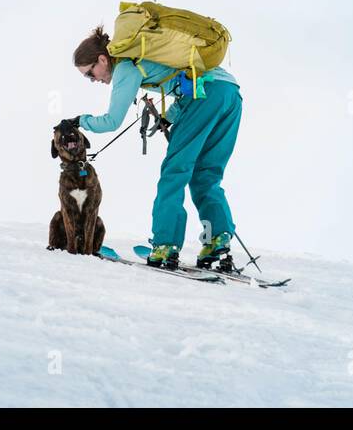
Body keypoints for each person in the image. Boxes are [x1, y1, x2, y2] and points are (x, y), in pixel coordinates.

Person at [63, 25, 242, 270]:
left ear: (102, 59)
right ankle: (217, 241)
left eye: (90, 73)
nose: (93, 80)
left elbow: (111, 121)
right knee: (206, 174)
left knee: (175, 171)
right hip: (230, 93)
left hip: (205, 96)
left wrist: (79, 121)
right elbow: (185, 85)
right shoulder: (142, 57)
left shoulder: (126, 66)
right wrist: (171, 117)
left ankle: (165, 245)